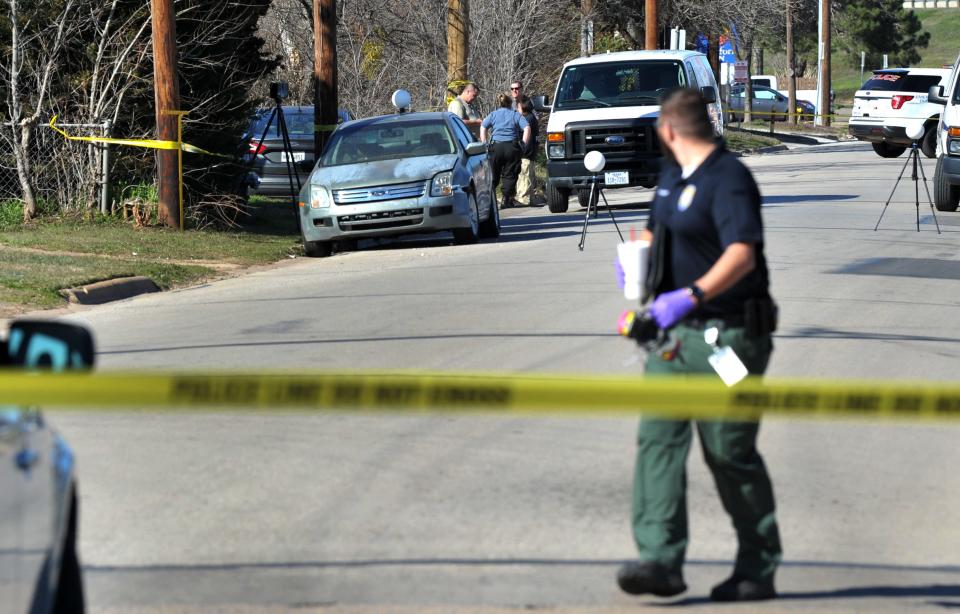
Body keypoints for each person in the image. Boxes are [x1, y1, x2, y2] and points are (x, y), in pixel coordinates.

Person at [616, 88, 782, 603]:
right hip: (673, 342)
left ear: (669, 130)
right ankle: (659, 561)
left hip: (726, 340)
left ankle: (758, 565)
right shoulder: (672, 177)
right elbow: (653, 230)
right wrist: (633, 261)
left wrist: (689, 297)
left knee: (729, 451)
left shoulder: (729, 178)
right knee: (658, 443)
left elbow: (742, 253)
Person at [481, 92, 531, 209]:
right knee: (510, 174)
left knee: (493, 173)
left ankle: (490, 198)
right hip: (511, 147)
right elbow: (527, 128)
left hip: (496, 147)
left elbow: (483, 126)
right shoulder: (515, 114)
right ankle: (506, 199)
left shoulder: (493, 114)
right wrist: (523, 144)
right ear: (510, 103)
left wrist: (484, 143)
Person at [514, 99, 540, 207]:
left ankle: (523, 199)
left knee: (524, 175)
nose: (517, 109)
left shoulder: (526, 119)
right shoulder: (532, 117)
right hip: (531, 152)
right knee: (529, 176)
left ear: (523, 107)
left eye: (518, 107)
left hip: (526, 152)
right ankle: (531, 199)